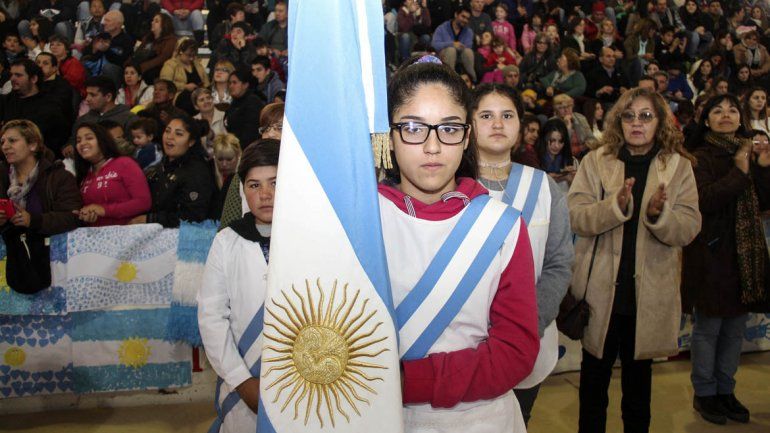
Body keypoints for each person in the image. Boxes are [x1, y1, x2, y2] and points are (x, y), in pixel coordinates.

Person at [381, 58, 538, 432]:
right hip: (380, 416)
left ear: (467, 137)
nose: (433, 146)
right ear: (388, 136)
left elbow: (516, 353)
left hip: (480, 418)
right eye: (414, 128)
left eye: (449, 128)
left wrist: (411, 380)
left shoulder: (502, 226)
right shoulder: (361, 223)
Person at [568, 87, 701, 433]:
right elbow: (575, 217)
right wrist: (617, 207)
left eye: (646, 116)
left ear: (660, 122)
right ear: (618, 121)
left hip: (648, 299)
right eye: (629, 116)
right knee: (593, 392)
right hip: (599, 298)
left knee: (638, 395)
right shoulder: (595, 161)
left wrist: (659, 215)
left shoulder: (678, 167)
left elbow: (687, 228)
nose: (637, 123)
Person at [471, 83, 573, 426]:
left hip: (531, 339)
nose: (497, 123)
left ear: (519, 128)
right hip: (464, 343)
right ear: (469, 125)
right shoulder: (451, 186)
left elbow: (559, 264)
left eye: (507, 115)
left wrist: (529, 323)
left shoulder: (544, 187)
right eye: (486, 115)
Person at [682, 93, 770, 426]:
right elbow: (705, 200)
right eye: (717, 110)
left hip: (743, 258)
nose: (726, 114)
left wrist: (762, 168)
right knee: (709, 329)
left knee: (734, 329)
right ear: (706, 120)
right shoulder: (698, 157)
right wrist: (740, 170)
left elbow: (764, 200)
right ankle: (705, 393)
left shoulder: (746, 150)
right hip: (710, 254)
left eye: (733, 109)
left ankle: (726, 390)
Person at [198, 139, 279, 433]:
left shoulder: (314, 238)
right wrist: (242, 381)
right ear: (243, 191)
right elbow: (211, 317)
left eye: (275, 182)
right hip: (243, 379)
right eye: (254, 185)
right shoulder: (227, 241)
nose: (265, 194)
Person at [0, 119, 80, 245]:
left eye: (12, 141)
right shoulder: (2, 176)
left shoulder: (59, 176)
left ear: (33, 145)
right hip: (11, 256)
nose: (5, 146)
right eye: (2, 142)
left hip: (49, 255)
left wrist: (32, 220)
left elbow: (72, 217)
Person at [132, 114, 215, 227]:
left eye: (178, 134)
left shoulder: (197, 172)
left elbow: (193, 216)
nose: (169, 137)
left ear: (191, 142)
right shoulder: (162, 165)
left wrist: (150, 219)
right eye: (167, 131)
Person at [73, 122, 151, 226]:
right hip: (96, 238)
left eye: (89, 138)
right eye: (78, 140)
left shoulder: (124, 163)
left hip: (128, 236)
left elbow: (143, 202)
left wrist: (104, 210)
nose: (82, 143)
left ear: (102, 141)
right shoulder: (84, 176)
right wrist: (85, 215)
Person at [1, 58, 68, 156]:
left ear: (33, 79)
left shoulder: (50, 107)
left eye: (18, 75)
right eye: (12, 75)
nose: (12, 79)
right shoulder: (5, 101)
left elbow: (57, 141)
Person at [65, 75, 138, 157]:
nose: (87, 99)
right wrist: (70, 146)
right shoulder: (83, 120)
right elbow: (72, 141)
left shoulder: (128, 118)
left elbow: (134, 148)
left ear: (108, 97)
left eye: (93, 95)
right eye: (87, 94)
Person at [160, 38, 208, 114]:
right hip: (179, 97)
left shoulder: (197, 64)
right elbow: (164, 85)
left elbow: (206, 82)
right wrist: (184, 87)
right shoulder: (170, 64)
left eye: (193, 55)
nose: (191, 58)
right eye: (188, 55)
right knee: (188, 97)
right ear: (180, 52)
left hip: (199, 95)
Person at [432, 5, 476, 82]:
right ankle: (449, 80)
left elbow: (468, 45)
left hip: (461, 56)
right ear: (456, 15)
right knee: (451, 50)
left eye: (467, 19)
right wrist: (452, 44)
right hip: (443, 56)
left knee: (468, 51)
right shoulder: (442, 28)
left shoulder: (468, 31)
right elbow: (435, 44)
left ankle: (472, 80)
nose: (465, 20)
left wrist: (458, 46)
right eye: (463, 17)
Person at [535, 118, 578, 192]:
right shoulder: (534, 160)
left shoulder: (572, 162)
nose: (556, 146)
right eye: (552, 140)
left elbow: (576, 193)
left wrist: (572, 180)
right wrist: (563, 177)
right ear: (544, 139)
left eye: (560, 141)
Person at [224, 69, 264, 149]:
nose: (231, 86)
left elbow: (251, 134)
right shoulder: (234, 102)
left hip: (248, 150)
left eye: (235, 83)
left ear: (245, 85)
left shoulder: (253, 102)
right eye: (230, 83)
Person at [134, 13, 178, 85]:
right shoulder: (147, 38)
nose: (152, 22)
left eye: (156, 21)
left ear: (164, 25)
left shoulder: (171, 40)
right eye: (152, 20)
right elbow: (137, 53)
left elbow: (163, 58)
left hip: (157, 68)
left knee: (148, 74)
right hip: (142, 66)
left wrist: (141, 67)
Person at [551, 93, 594, 159]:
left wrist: (586, 146)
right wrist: (567, 126)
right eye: (561, 108)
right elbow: (560, 145)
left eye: (568, 106)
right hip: (563, 157)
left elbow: (591, 138)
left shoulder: (580, 118)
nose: (566, 110)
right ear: (556, 110)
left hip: (583, 154)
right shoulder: (552, 122)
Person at [48, 34, 86, 99]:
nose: (54, 47)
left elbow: (71, 85)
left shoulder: (73, 63)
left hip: (74, 94)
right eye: (52, 44)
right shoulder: (50, 61)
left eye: (58, 44)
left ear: (67, 50)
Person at [193, 87, 226, 154]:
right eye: (202, 100)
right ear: (196, 106)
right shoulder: (193, 121)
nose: (206, 101)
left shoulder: (225, 116)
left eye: (208, 98)